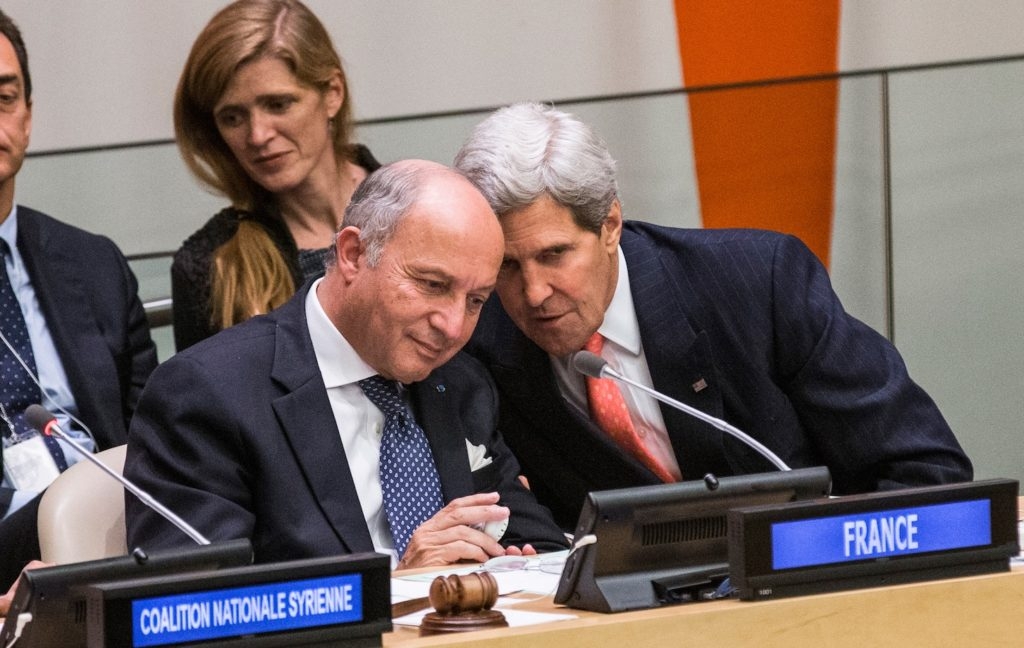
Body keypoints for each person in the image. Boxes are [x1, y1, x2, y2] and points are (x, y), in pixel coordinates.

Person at [454, 102, 973, 530]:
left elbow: (925, 470)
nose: (534, 293)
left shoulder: (757, 283)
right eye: (506, 266)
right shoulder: (478, 340)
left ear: (610, 224)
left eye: (554, 255)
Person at [126, 160, 568, 568]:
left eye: (475, 301)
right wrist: (399, 591)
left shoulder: (459, 382)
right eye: (433, 285)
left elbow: (541, 547)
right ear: (353, 254)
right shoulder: (210, 395)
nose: (453, 327)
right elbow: (198, 608)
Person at [0, 9, 157, 592]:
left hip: (113, 544)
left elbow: (157, 439)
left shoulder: (94, 266)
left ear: (29, 115)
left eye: (4, 96)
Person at [171, 0, 380, 351]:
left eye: (278, 104)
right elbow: (207, 403)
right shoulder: (212, 264)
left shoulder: (419, 206)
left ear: (332, 94)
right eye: (233, 117)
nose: (257, 135)